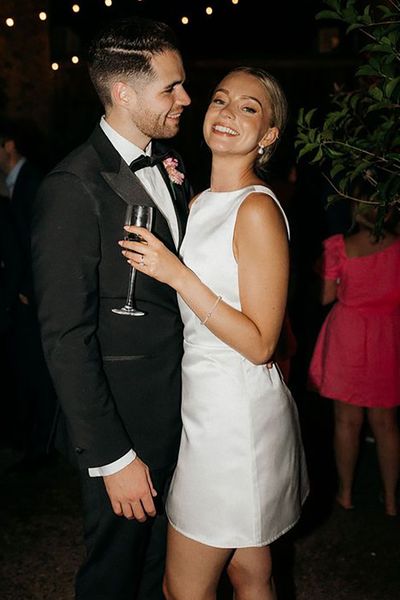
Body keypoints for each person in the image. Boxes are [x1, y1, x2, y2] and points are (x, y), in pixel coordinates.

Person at [121, 66, 309, 600]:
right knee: (250, 573)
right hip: (208, 404)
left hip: (232, 421)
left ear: (269, 135)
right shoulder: (202, 202)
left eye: (249, 108)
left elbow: (261, 343)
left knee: (181, 588)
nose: (227, 113)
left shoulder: (255, 210)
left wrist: (177, 273)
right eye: (221, 100)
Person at [31, 17, 191, 600]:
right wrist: (112, 456)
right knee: (113, 575)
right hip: (121, 424)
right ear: (123, 92)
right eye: (171, 87)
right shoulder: (71, 186)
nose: (186, 98)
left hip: (178, 410)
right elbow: (64, 338)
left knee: (156, 571)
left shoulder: (169, 165)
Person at [308, 199, 400, 517]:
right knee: (386, 424)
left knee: (347, 422)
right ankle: (390, 499)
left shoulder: (340, 247)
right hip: (387, 335)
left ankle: (345, 493)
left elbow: (325, 296)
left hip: (347, 336)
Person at [0, 121, 56, 463]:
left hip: (31, 298)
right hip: (19, 296)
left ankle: (39, 447)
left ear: (8, 147)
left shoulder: (32, 183)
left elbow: (40, 241)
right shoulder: (12, 185)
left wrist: (28, 291)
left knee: (34, 371)